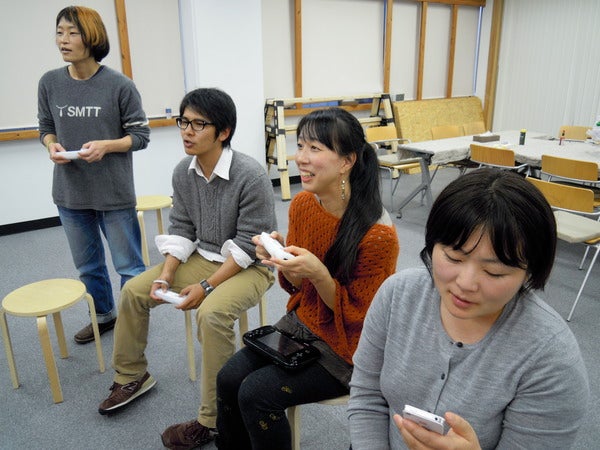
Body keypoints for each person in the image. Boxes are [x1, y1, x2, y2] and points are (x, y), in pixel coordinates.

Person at [187, 107, 401, 450]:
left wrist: (319, 273)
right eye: (300, 146)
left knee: (256, 394)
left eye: (315, 148)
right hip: (302, 324)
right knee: (228, 378)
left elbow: (361, 318)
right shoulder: (303, 205)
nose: (300, 158)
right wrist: (283, 260)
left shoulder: (378, 235)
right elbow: (297, 289)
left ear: (347, 161)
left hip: (349, 349)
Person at [348, 169, 590, 449]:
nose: (465, 283)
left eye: (494, 272)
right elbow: (367, 395)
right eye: (453, 257)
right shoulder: (398, 295)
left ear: (529, 272)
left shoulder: (550, 359)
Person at [98, 87, 277, 445]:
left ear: (223, 132)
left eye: (198, 124)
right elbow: (181, 227)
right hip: (203, 257)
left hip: (250, 267)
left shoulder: (251, 175)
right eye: (184, 122)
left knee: (211, 315)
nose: (187, 131)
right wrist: (166, 275)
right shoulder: (184, 171)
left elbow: (248, 245)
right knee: (134, 290)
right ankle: (132, 376)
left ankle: (214, 419)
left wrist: (208, 287)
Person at [37, 6, 150, 344]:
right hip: (70, 193)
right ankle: (103, 317)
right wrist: (51, 145)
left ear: (92, 37)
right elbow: (45, 127)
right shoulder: (49, 83)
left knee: (129, 267)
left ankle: (133, 324)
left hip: (113, 194)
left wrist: (107, 146)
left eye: (72, 33)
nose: (63, 40)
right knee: (88, 267)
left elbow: (140, 136)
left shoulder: (120, 85)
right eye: (60, 32)